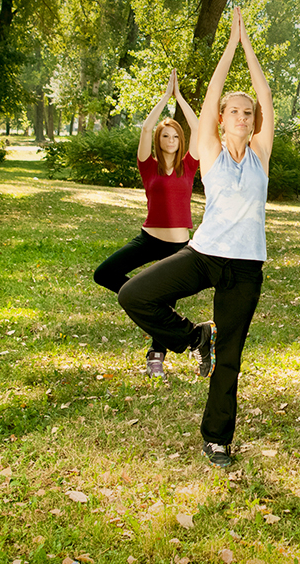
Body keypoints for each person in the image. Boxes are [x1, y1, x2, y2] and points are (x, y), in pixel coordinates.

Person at [118, 8, 274, 468]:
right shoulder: (208, 149)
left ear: (254, 121)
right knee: (134, 294)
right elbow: (209, 96)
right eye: (234, 111)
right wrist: (230, 46)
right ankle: (194, 337)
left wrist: (249, 47)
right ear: (222, 119)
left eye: (248, 113)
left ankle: (217, 439)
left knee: (231, 357)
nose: (242, 117)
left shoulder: (261, 153)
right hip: (204, 254)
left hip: (245, 268)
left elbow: (265, 94)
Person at [94, 70, 200, 378]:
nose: (171, 140)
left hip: (178, 246)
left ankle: (156, 358)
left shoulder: (189, 165)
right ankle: (144, 298)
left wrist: (180, 98)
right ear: (158, 140)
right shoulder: (148, 166)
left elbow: (197, 127)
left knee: (165, 301)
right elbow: (145, 129)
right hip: (148, 239)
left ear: (181, 140)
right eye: (165, 136)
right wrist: (164, 99)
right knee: (104, 273)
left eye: (175, 136)